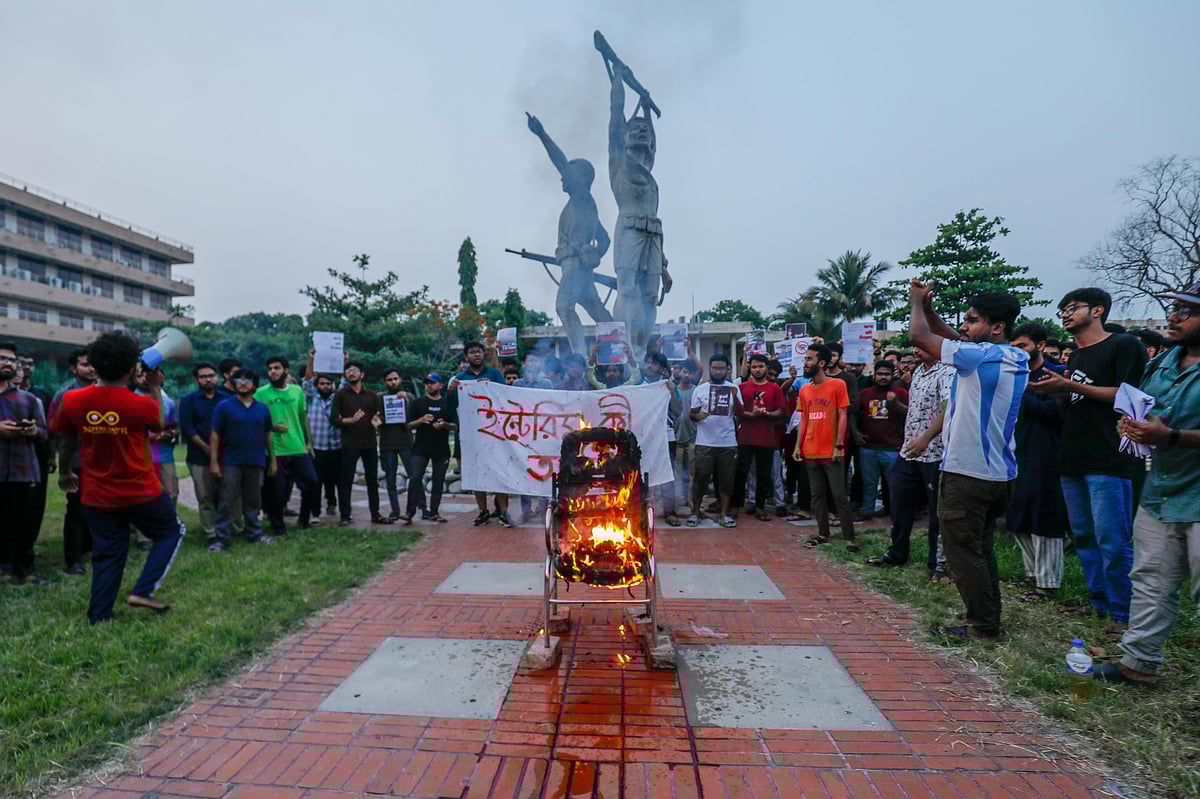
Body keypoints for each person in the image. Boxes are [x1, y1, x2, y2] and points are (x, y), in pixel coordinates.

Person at [908, 283, 1029, 642]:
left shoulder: (979, 357)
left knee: (963, 552)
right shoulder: (1010, 356)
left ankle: (983, 625)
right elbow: (945, 335)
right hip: (998, 473)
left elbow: (919, 336)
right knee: (981, 548)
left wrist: (915, 302)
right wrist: (929, 308)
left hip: (968, 472)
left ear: (996, 327)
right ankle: (988, 617)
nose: (964, 326)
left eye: (972, 321)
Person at [1098, 281, 1200, 686]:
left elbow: (1166, 429)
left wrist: (1169, 436)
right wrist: (1132, 425)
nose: (1174, 317)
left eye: (1186, 311)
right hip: (1161, 491)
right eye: (1174, 308)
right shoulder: (1163, 361)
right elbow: (1143, 405)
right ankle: (1138, 663)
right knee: (1151, 579)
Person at [1031, 288, 1147, 636]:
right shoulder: (1077, 358)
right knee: (1083, 535)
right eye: (1062, 310)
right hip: (1074, 454)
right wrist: (1060, 392)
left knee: (1112, 539)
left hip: (1108, 454)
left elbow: (1129, 394)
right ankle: (1098, 602)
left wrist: (1069, 384)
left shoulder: (1124, 345)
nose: (1065, 314)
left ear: (1097, 310)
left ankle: (1123, 612)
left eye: (1072, 308)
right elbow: (1074, 403)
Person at [52, 332, 185, 623]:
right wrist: (152, 387)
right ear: (130, 368)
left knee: (108, 552)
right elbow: (158, 424)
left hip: (96, 491)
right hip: (140, 489)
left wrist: (65, 472)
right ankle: (144, 590)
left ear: (95, 365)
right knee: (171, 532)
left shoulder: (71, 400)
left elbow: (68, 440)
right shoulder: (143, 404)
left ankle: (99, 615)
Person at [526, 113, 613, 356]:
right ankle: (619, 344)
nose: (563, 176)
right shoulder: (583, 207)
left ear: (581, 178)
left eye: (569, 174)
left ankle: (580, 356)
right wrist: (594, 254)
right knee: (598, 311)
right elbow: (605, 239)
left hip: (575, 266)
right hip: (575, 265)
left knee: (564, 306)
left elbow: (560, 162)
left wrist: (542, 135)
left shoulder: (583, 199)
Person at [865, 344, 952, 576]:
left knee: (936, 512)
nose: (916, 350)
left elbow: (949, 409)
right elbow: (916, 411)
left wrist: (926, 438)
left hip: (936, 452)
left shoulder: (947, 371)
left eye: (922, 345)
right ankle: (897, 551)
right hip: (909, 451)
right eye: (915, 346)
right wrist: (895, 406)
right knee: (899, 503)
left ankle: (939, 564)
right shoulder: (918, 372)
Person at [1004, 323, 1069, 601]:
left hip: (1046, 454)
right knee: (1018, 519)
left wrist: (1018, 393)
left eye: (1022, 346)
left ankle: (1048, 583)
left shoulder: (1058, 376)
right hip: (1015, 453)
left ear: (1040, 346)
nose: (1017, 352)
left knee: (1045, 519)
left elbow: (1054, 414)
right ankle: (1031, 576)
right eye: (1013, 347)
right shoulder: (1012, 374)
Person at [793, 344, 859, 550]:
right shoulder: (804, 389)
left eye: (810, 359)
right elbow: (803, 419)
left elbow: (842, 415)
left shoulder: (837, 385)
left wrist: (839, 444)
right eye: (805, 359)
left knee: (839, 494)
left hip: (831, 450)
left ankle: (849, 537)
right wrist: (798, 446)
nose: (806, 363)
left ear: (821, 363)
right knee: (817, 495)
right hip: (810, 450)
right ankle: (823, 533)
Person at [210, 368, 276, 549]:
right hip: (231, 460)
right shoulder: (224, 406)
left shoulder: (262, 409)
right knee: (226, 499)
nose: (243, 382)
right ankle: (221, 539)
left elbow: (268, 434)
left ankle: (254, 534)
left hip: (256, 460)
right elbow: (215, 434)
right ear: (234, 383)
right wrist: (214, 461)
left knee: (253, 500)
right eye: (239, 379)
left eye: (248, 380)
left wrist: (273, 459)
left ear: (254, 385)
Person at [0, 342, 49, 585]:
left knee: (23, 524)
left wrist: (33, 431)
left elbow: (43, 433)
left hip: (22, 469)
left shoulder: (29, 400)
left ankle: (24, 572)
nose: (9, 363)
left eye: (12, 360)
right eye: (3, 358)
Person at [256, 355, 320, 532]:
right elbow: (254, 418)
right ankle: (278, 527)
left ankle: (304, 519)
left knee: (312, 483)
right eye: (270, 369)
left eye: (276, 368)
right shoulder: (261, 393)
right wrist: (272, 427)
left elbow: (302, 416)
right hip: (275, 450)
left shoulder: (296, 391)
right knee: (277, 491)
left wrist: (309, 443)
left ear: (286, 370)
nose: (273, 372)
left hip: (298, 447)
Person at [448, 342, 509, 526]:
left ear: (484, 354)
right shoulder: (460, 378)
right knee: (476, 473)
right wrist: (451, 391)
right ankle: (483, 510)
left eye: (479, 352)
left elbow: (506, 396)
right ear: (466, 356)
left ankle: (504, 512)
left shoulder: (494, 374)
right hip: (471, 434)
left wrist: (491, 387)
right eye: (472, 352)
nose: (476, 355)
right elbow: (451, 406)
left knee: (499, 472)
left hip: (494, 432)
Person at [49, 347, 97, 574]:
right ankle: (73, 561)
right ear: (73, 368)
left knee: (99, 509)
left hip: (104, 462)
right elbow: (54, 428)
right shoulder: (64, 394)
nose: (91, 368)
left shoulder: (106, 391)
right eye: (86, 364)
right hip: (76, 460)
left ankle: (91, 550)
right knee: (77, 510)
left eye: (93, 364)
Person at [687, 353, 741, 528]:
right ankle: (696, 512)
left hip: (727, 442)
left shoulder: (734, 388)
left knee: (727, 480)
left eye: (721, 368)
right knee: (701, 479)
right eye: (714, 368)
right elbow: (692, 414)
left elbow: (741, 414)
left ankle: (724, 514)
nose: (718, 371)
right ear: (709, 369)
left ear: (728, 369)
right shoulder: (700, 389)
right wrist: (697, 415)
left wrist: (733, 396)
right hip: (704, 442)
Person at [332, 360, 389, 526]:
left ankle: (375, 514)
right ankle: (345, 515)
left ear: (362, 374)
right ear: (345, 375)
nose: (351, 373)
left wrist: (378, 421)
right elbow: (334, 419)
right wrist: (351, 420)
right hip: (350, 443)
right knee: (346, 480)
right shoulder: (340, 394)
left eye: (355, 370)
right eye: (348, 371)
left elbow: (380, 416)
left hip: (369, 442)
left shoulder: (372, 395)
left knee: (372, 480)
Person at [733, 353, 787, 521]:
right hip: (745, 437)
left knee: (764, 474)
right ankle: (736, 506)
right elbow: (738, 411)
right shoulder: (742, 388)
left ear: (767, 368)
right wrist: (751, 413)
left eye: (761, 366)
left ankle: (760, 506)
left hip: (767, 438)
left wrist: (768, 413)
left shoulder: (775, 388)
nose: (757, 370)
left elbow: (782, 411)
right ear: (750, 367)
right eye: (754, 366)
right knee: (741, 473)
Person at [179, 362, 225, 547]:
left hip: (225, 457)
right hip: (199, 457)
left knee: (225, 494)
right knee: (205, 496)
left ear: (218, 377)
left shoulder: (227, 398)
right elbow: (189, 430)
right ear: (196, 380)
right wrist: (209, 449)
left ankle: (226, 528)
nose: (208, 379)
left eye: (211, 375)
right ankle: (211, 532)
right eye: (204, 376)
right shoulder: (188, 401)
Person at [854, 360, 908, 519]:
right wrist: (856, 432)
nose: (883, 377)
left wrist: (895, 403)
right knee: (869, 483)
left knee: (894, 484)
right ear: (874, 375)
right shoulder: (865, 393)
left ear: (893, 375)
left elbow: (910, 414)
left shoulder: (901, 393)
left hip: (892, 447)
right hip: (869, 447)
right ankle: (868, 510)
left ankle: (895, 512)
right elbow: (853, 414)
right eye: (880, 374)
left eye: (886, 374)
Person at [401, 373, 457, 525]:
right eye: (427, 383)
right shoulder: (418, 403)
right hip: (421, 448)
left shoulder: (447, 403)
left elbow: (455, 426)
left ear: (440, 385)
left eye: (433, 383)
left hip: (441, 449)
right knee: (415, 477)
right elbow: (407, 426)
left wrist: (444, 425)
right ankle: (409, 512)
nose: (429, 385)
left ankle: (434, 512)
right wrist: (420, 420)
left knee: (438, 481)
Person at [17, 354, 54, 566]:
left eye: (30, 363)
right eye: (21, 363)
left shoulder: (42, 394)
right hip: (10, 458)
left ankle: (28, 545)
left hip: (37, 455)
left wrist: (51, 456)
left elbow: (50, 428)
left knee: (36, 503)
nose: (26, 367)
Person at [641, 349, 683, 525]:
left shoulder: (668, 385)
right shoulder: (638, 386)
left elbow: (678, 411)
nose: (649, 366)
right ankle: (643, 510)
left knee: (668, 474)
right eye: (648, 362)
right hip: (646, 436)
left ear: (662, 367)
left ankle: (669, 511)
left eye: (654, 363)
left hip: (667, 435)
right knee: (644, 473)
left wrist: (672, 392)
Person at [302, 350, 342, 517]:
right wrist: (311, 359)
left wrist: (344, 360)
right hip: (317, 446)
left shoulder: (337, 398)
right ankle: (315, 511)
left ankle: (332, 504)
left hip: (335, 445)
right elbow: (306, 381)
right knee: (316, 480)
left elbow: (346, 382)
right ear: (318, 386)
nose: (325, 386)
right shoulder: (312, 398)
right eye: (322, 383)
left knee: (332, 479)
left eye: (328, 383)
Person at [135, 363, 179, 509]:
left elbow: (173, 427)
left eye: (149, 375)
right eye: (140, 375)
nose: (145, 378)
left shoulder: (168, 402)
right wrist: (153, 436)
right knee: (142, 495)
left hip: (165, 456)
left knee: (170, 493)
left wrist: (170, 434)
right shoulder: (130, 400)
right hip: (139, 459)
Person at [379, 367, 418, 522]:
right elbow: (377, 418)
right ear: (385, 382)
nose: (393, 382)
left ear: (400, 380)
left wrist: (406, 401)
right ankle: (395, 510)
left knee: (414, 477)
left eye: (395, 379)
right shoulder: (379, 397)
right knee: (390, 479)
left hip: (406, 442)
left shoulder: (409, 396)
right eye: (390, 380)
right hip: (387, 443)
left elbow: (414, 418)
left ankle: (421, 507)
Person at [674, 357, 700, 514]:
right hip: (676, 438)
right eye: (684, 371)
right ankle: (677, 502)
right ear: (679, 372)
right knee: (677, 473)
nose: (687, 375)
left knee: (692, 473)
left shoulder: (697, 390)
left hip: (693, 438)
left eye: (690, 373)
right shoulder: (672, 390)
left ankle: (691, 501)